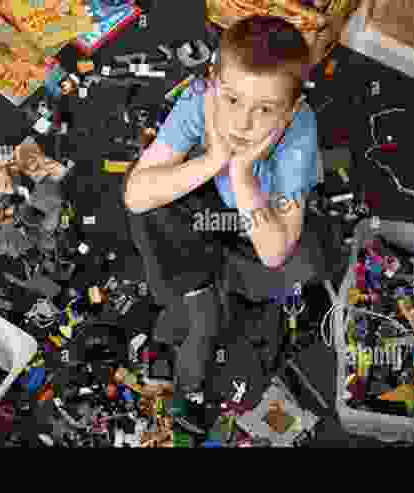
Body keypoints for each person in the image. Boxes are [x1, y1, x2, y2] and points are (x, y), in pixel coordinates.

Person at [124, 15, 343, 433]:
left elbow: (276, 249)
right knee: (151, 202)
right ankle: (197, 289)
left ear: (292, 108)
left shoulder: (298, 132)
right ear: (213, 81)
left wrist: (241, 174)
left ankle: (225, 291)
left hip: (259, 221)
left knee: (307, 264)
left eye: (265, 109)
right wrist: (211, 161)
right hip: (210, 208)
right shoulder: (199, 98)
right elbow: (136, 194)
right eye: (233, 101)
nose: (243, 123)